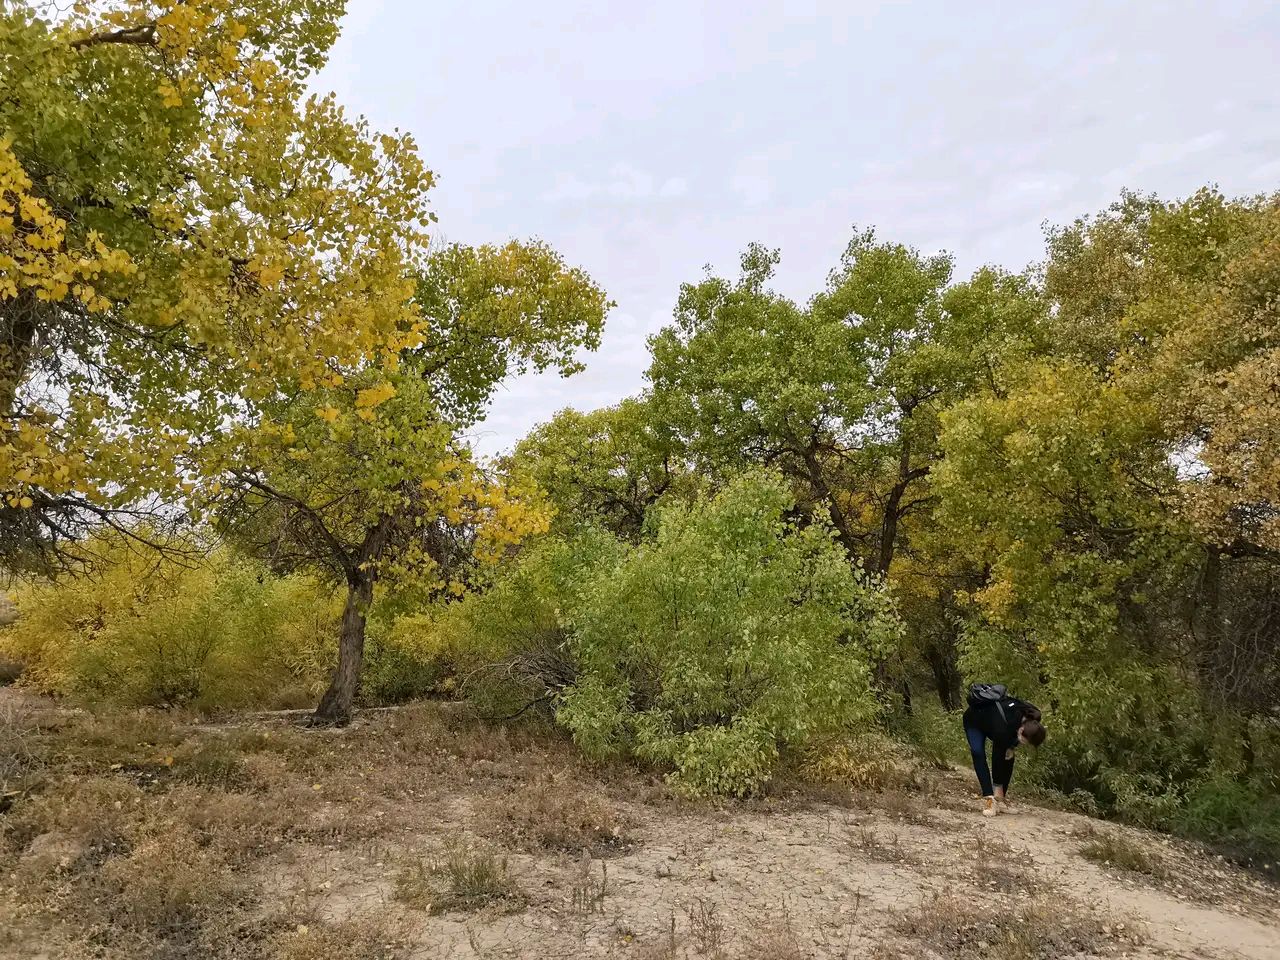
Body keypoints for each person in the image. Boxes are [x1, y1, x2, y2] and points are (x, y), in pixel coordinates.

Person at [962, 683, 1045, 817]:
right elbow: (996, 757)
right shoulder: (1004, 728)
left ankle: (1000, 800)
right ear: (1021, 730)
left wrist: (1011, 747)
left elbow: (1011, 745)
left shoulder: (1033, 717)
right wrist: (997, 785)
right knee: (978, 753)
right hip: (974, 722)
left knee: (1009, 756)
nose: (1023, 744)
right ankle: (990, 799)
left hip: (994, 723)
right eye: (1024, 741)